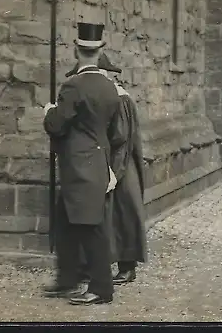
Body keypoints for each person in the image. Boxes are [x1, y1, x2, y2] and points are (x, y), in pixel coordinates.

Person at [42, 22, 122, 305]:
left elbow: (56, 126)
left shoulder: (73, 86)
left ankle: (101, 289)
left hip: (78, 166)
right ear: (100, 52)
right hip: (97, 163)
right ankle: (68, 279)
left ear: (76, 50)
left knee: (91, 228)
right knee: (66, 223)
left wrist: (50, 111)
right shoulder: (110, 88)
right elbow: (113, 132)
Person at [65, 54, 148, 286]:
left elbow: (121, 138)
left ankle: (126, 265)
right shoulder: (105, 96)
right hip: (104, 160)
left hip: (119, 162)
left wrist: (114, 171)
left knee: (123, 213)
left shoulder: (119, 99)